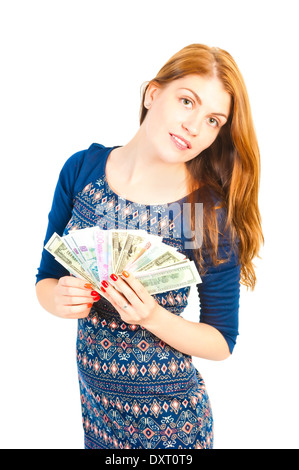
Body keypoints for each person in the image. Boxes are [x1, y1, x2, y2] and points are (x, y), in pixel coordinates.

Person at [35, 43, 263, 449]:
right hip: (97, 419)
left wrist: (152, 316)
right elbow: (46, 278)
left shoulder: (204, 212)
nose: (195, 126)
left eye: (213, 120)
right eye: (187, 101)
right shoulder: (83, 169)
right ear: (152, 94)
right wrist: (57, 299)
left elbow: (221, 341)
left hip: (173, 429)